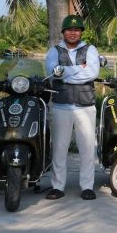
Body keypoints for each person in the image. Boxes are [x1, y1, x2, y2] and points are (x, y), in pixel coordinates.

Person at [44, 14, 99, 201]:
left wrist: (65, 72)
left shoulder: (90, 49)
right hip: (61, 105)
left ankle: (87, 187)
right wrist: (79, 69)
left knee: (87, 148)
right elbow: (52, 73)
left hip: (86, 105)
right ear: (63, 32)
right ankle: (58, 187)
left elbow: (92, 72)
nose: (73, 33)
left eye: (77, 29)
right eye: (70, 29)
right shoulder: (54, 51)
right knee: (59, 148)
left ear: (81, 32)